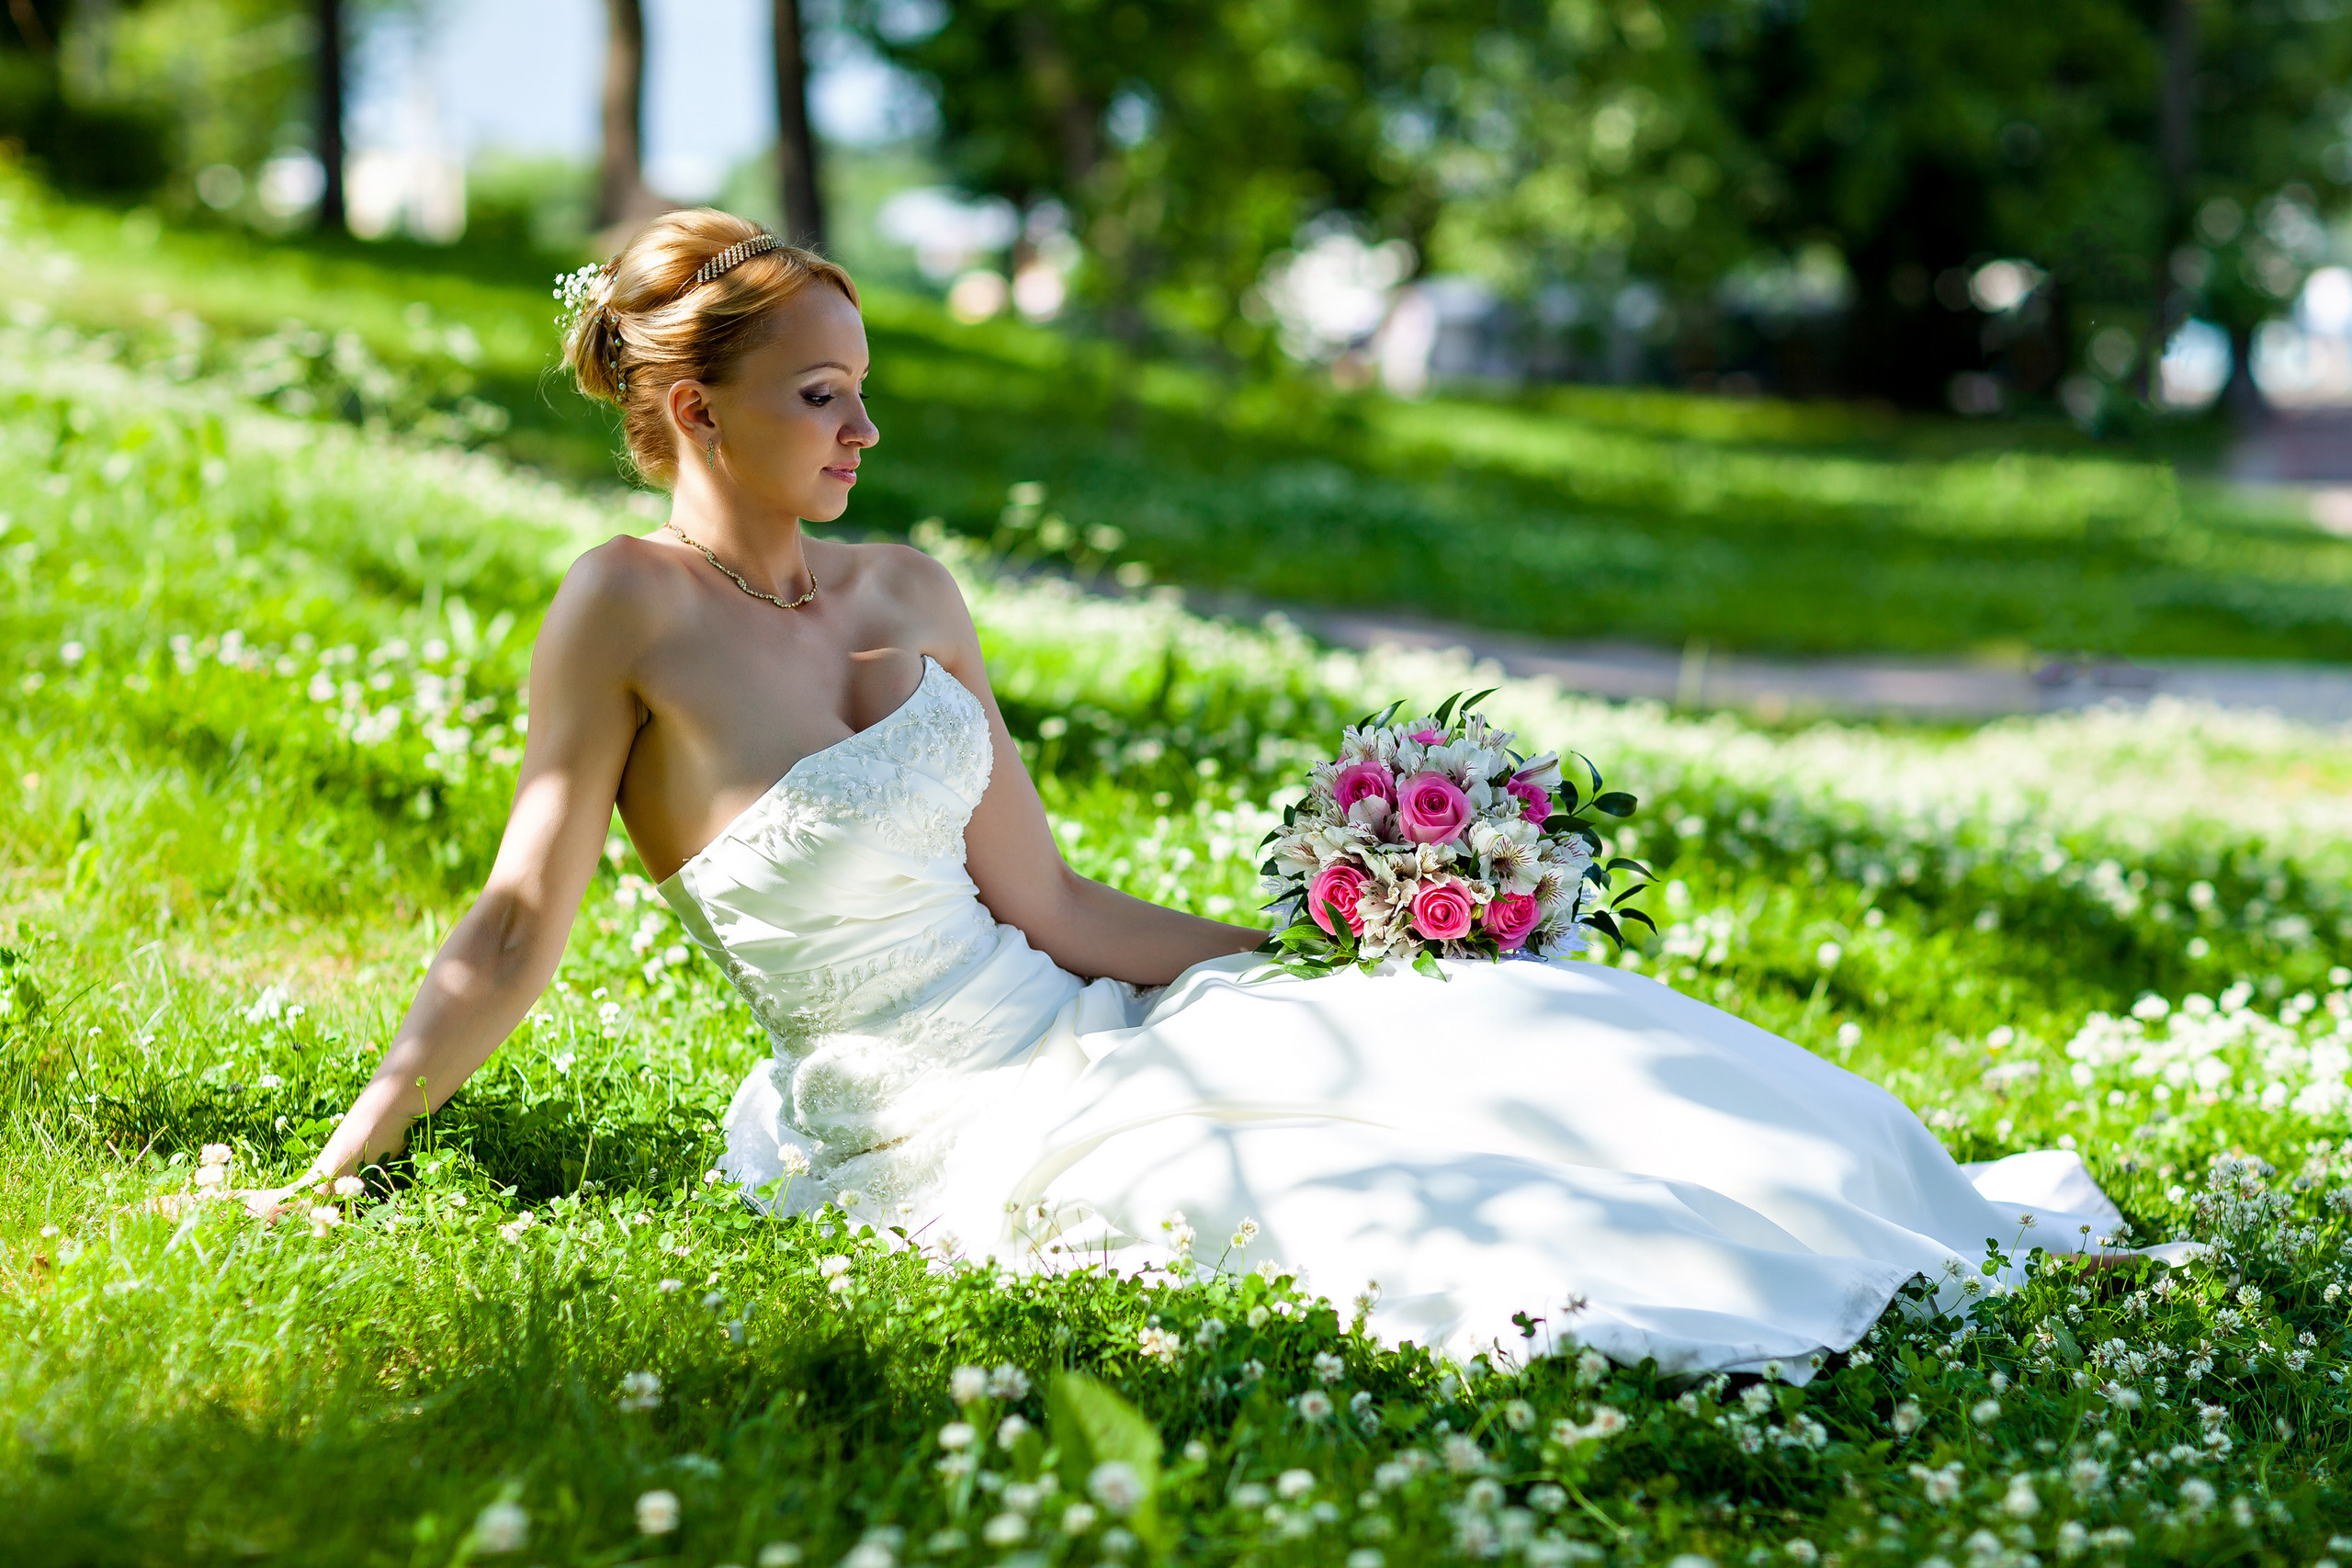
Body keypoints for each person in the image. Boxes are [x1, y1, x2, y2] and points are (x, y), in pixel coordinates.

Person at [240, 210, 2139, 1377]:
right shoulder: (621, 609)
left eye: (863, 388)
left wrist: (1332, 952)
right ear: (687, 404)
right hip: (930, 1106)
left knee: (1479, 1035)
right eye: (820, 393)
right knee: (1373, 1208)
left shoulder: (910, 593)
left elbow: (1050, 906)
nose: (863, 429)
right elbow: (514, 919)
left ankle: (1885, 1205)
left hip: (1087, 1014)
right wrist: (354, 1152)